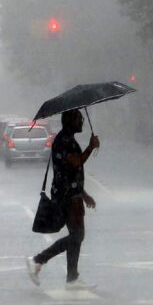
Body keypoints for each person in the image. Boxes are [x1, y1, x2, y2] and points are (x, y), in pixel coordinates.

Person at [26, 109, 99, 287]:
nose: (81, 121)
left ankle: (72, 278)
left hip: (72, 194)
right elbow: (76, 162)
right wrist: (91, 147)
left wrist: (84, 194)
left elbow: (71, 172)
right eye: (78, 118)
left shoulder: (67, 139)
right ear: (69, 121)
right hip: (67, 197)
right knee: (77, 236)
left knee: (76, 235)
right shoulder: (63, 141)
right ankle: (38, 260)